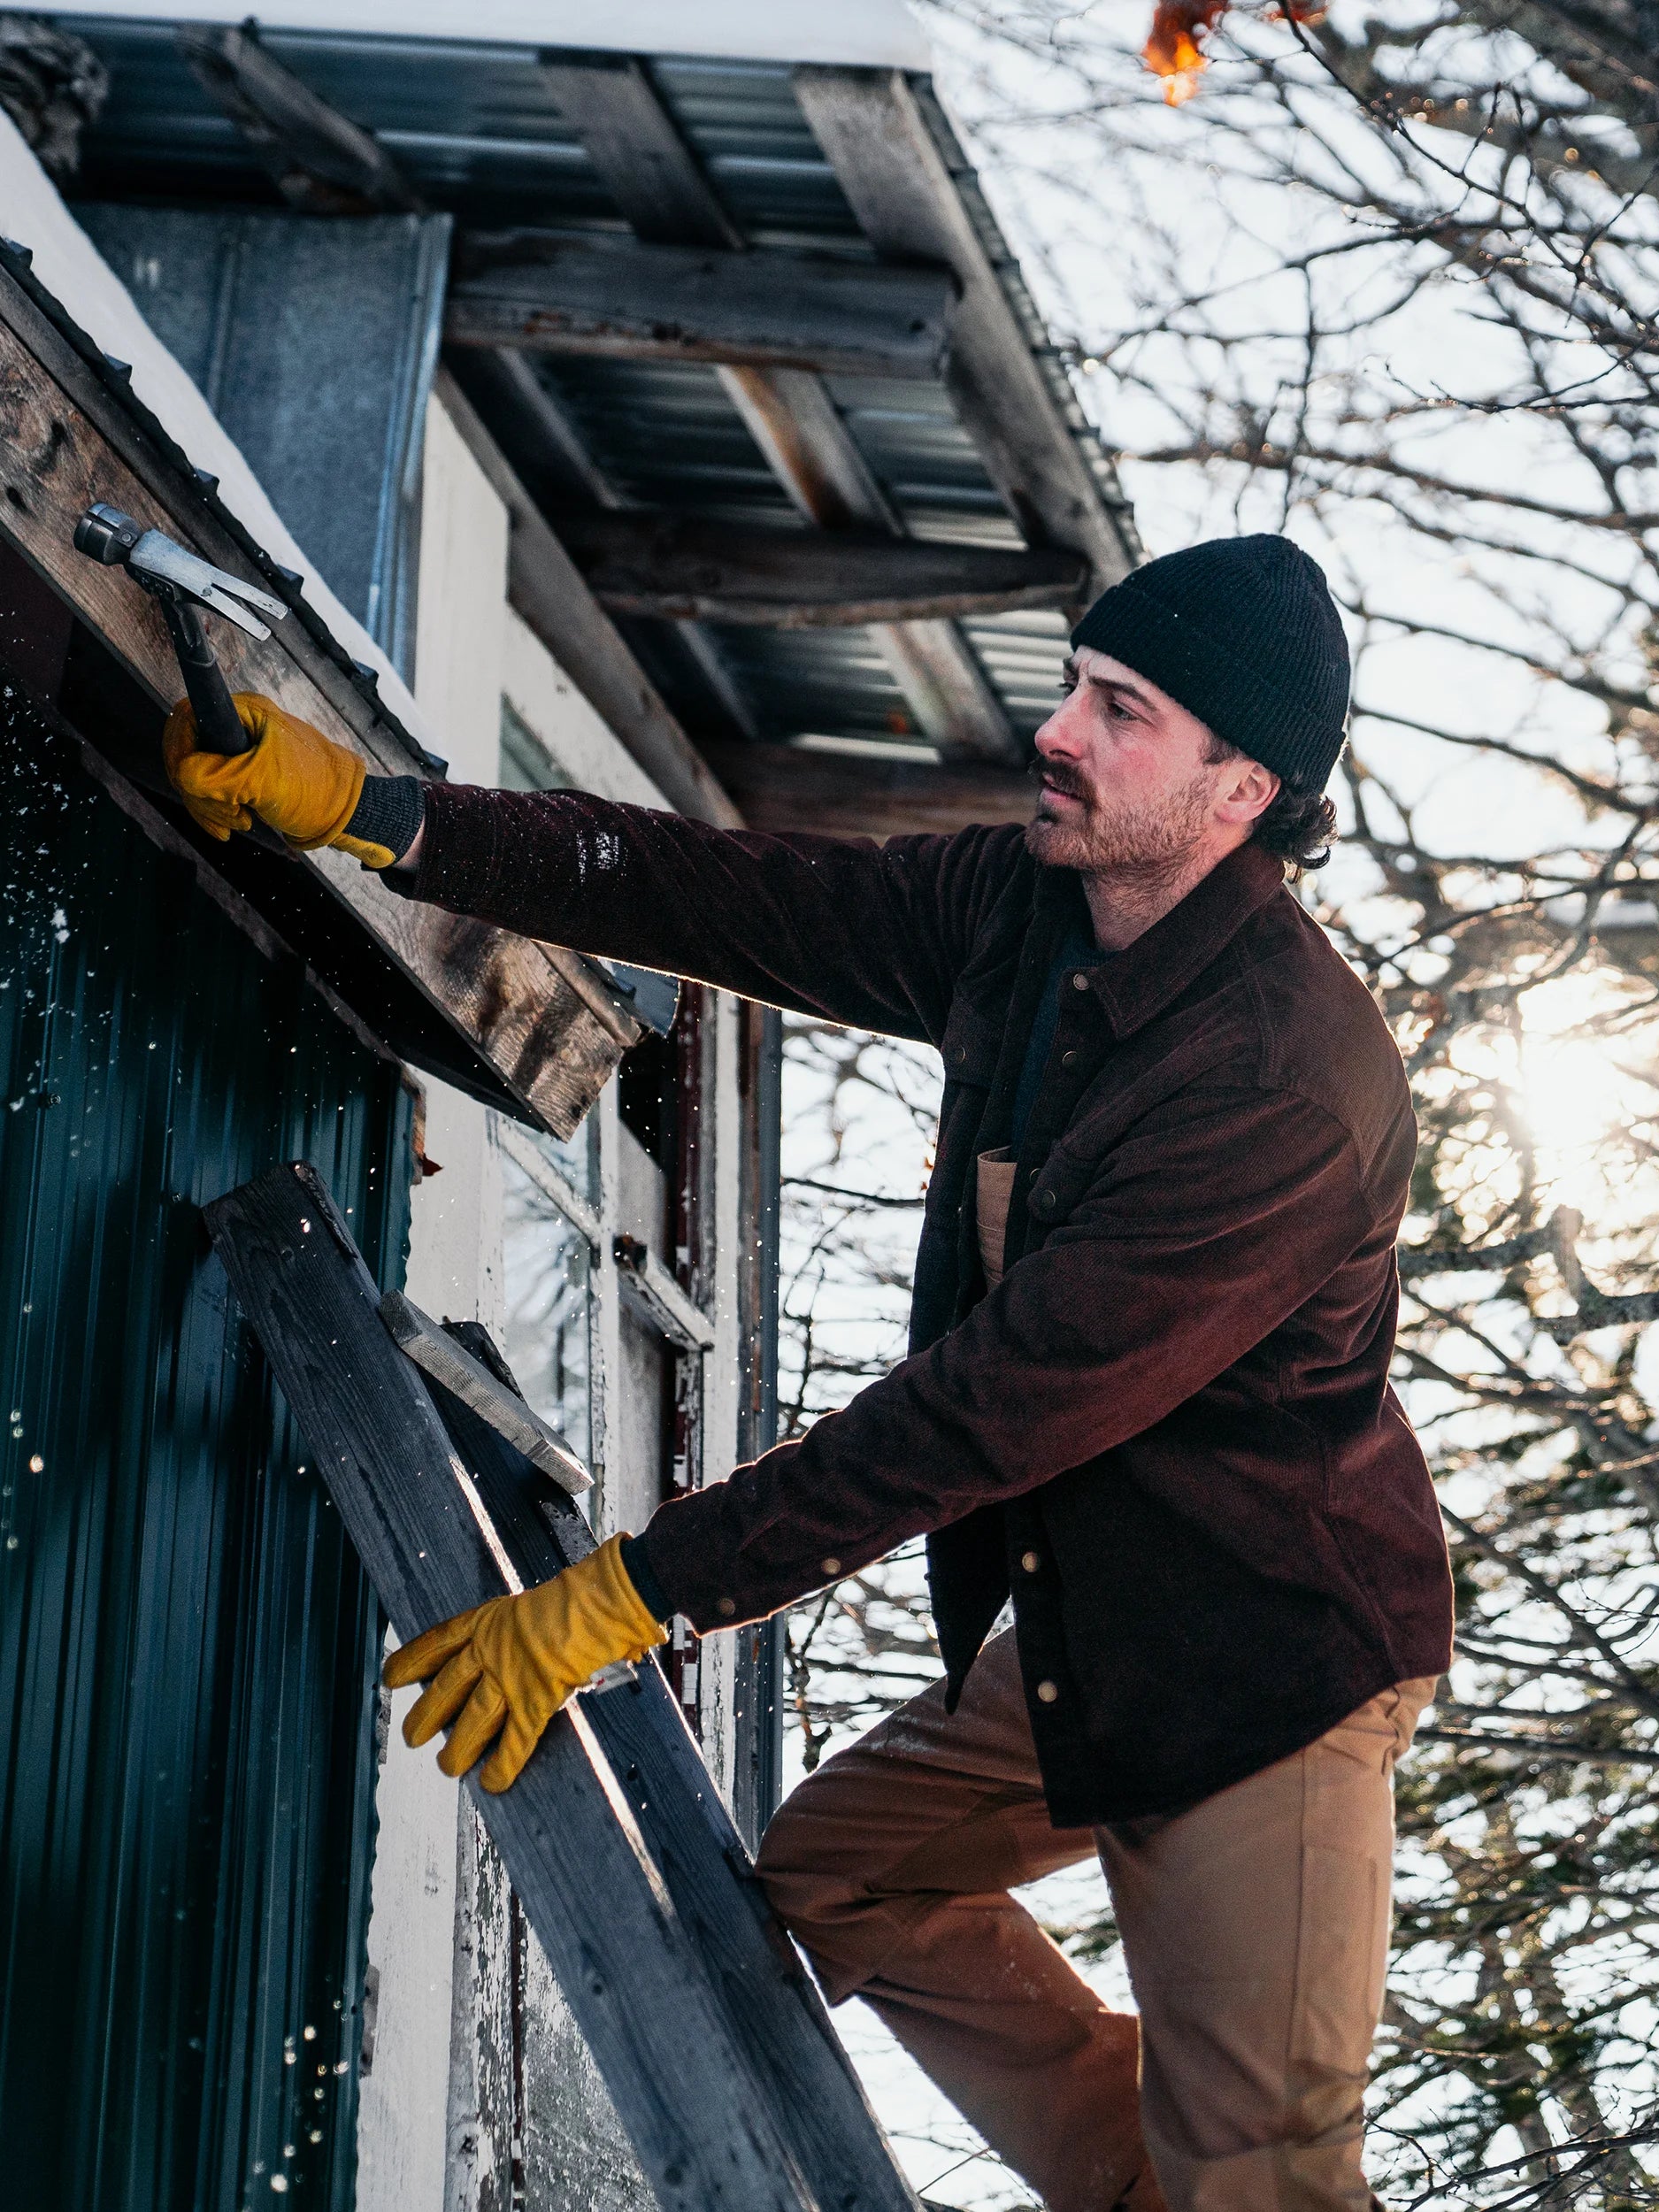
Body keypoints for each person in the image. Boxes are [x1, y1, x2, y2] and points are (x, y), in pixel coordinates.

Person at [165, 534, 1454, 2212]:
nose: (1056, 729)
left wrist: (629, 1595)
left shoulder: (1285, 1082)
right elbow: (725, 894)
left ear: (1241, 792)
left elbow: (982, 1415)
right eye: (1074, 683)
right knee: (842, 1883)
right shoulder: (1021, 908)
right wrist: (383, 811)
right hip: (1094, 1628)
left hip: (1268, 1673)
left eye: (1120, 709)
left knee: (1270, 2177)